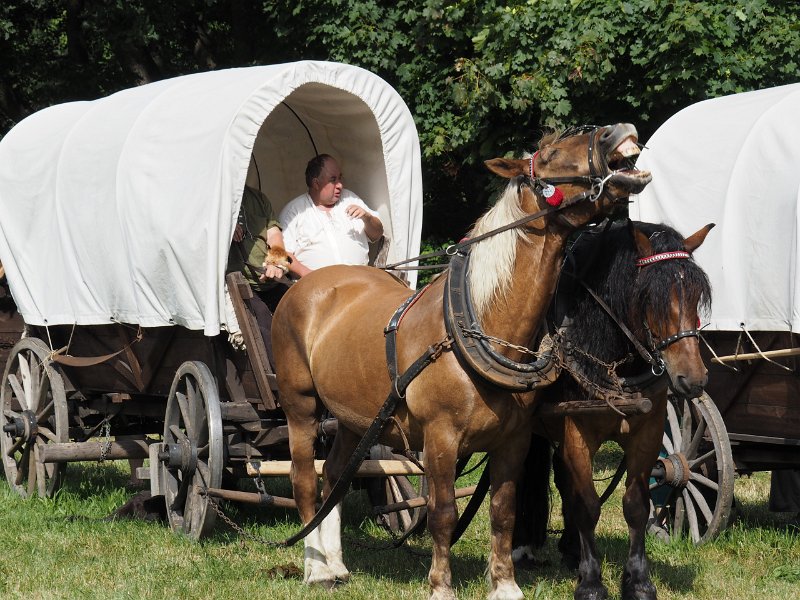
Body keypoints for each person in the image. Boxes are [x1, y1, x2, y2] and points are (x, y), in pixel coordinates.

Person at [279, 154, 383, 278]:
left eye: (340, 178)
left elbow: (377, 234)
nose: (340, 185)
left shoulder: (350, 198)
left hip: (359, 282)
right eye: (333, 180)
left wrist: (367, 218)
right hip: (318, 289)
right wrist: (309, 276)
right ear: (316, 183)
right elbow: (283, 254)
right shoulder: (294, 211)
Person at [227, 184, 291, 364]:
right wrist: (223, 230)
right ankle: (279, 376)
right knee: (261, 317)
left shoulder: (257, 198)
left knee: (296, 304)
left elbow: (274, 235)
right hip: (237, 281)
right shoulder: (212, 199)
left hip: (267, 277)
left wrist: (276, 261)